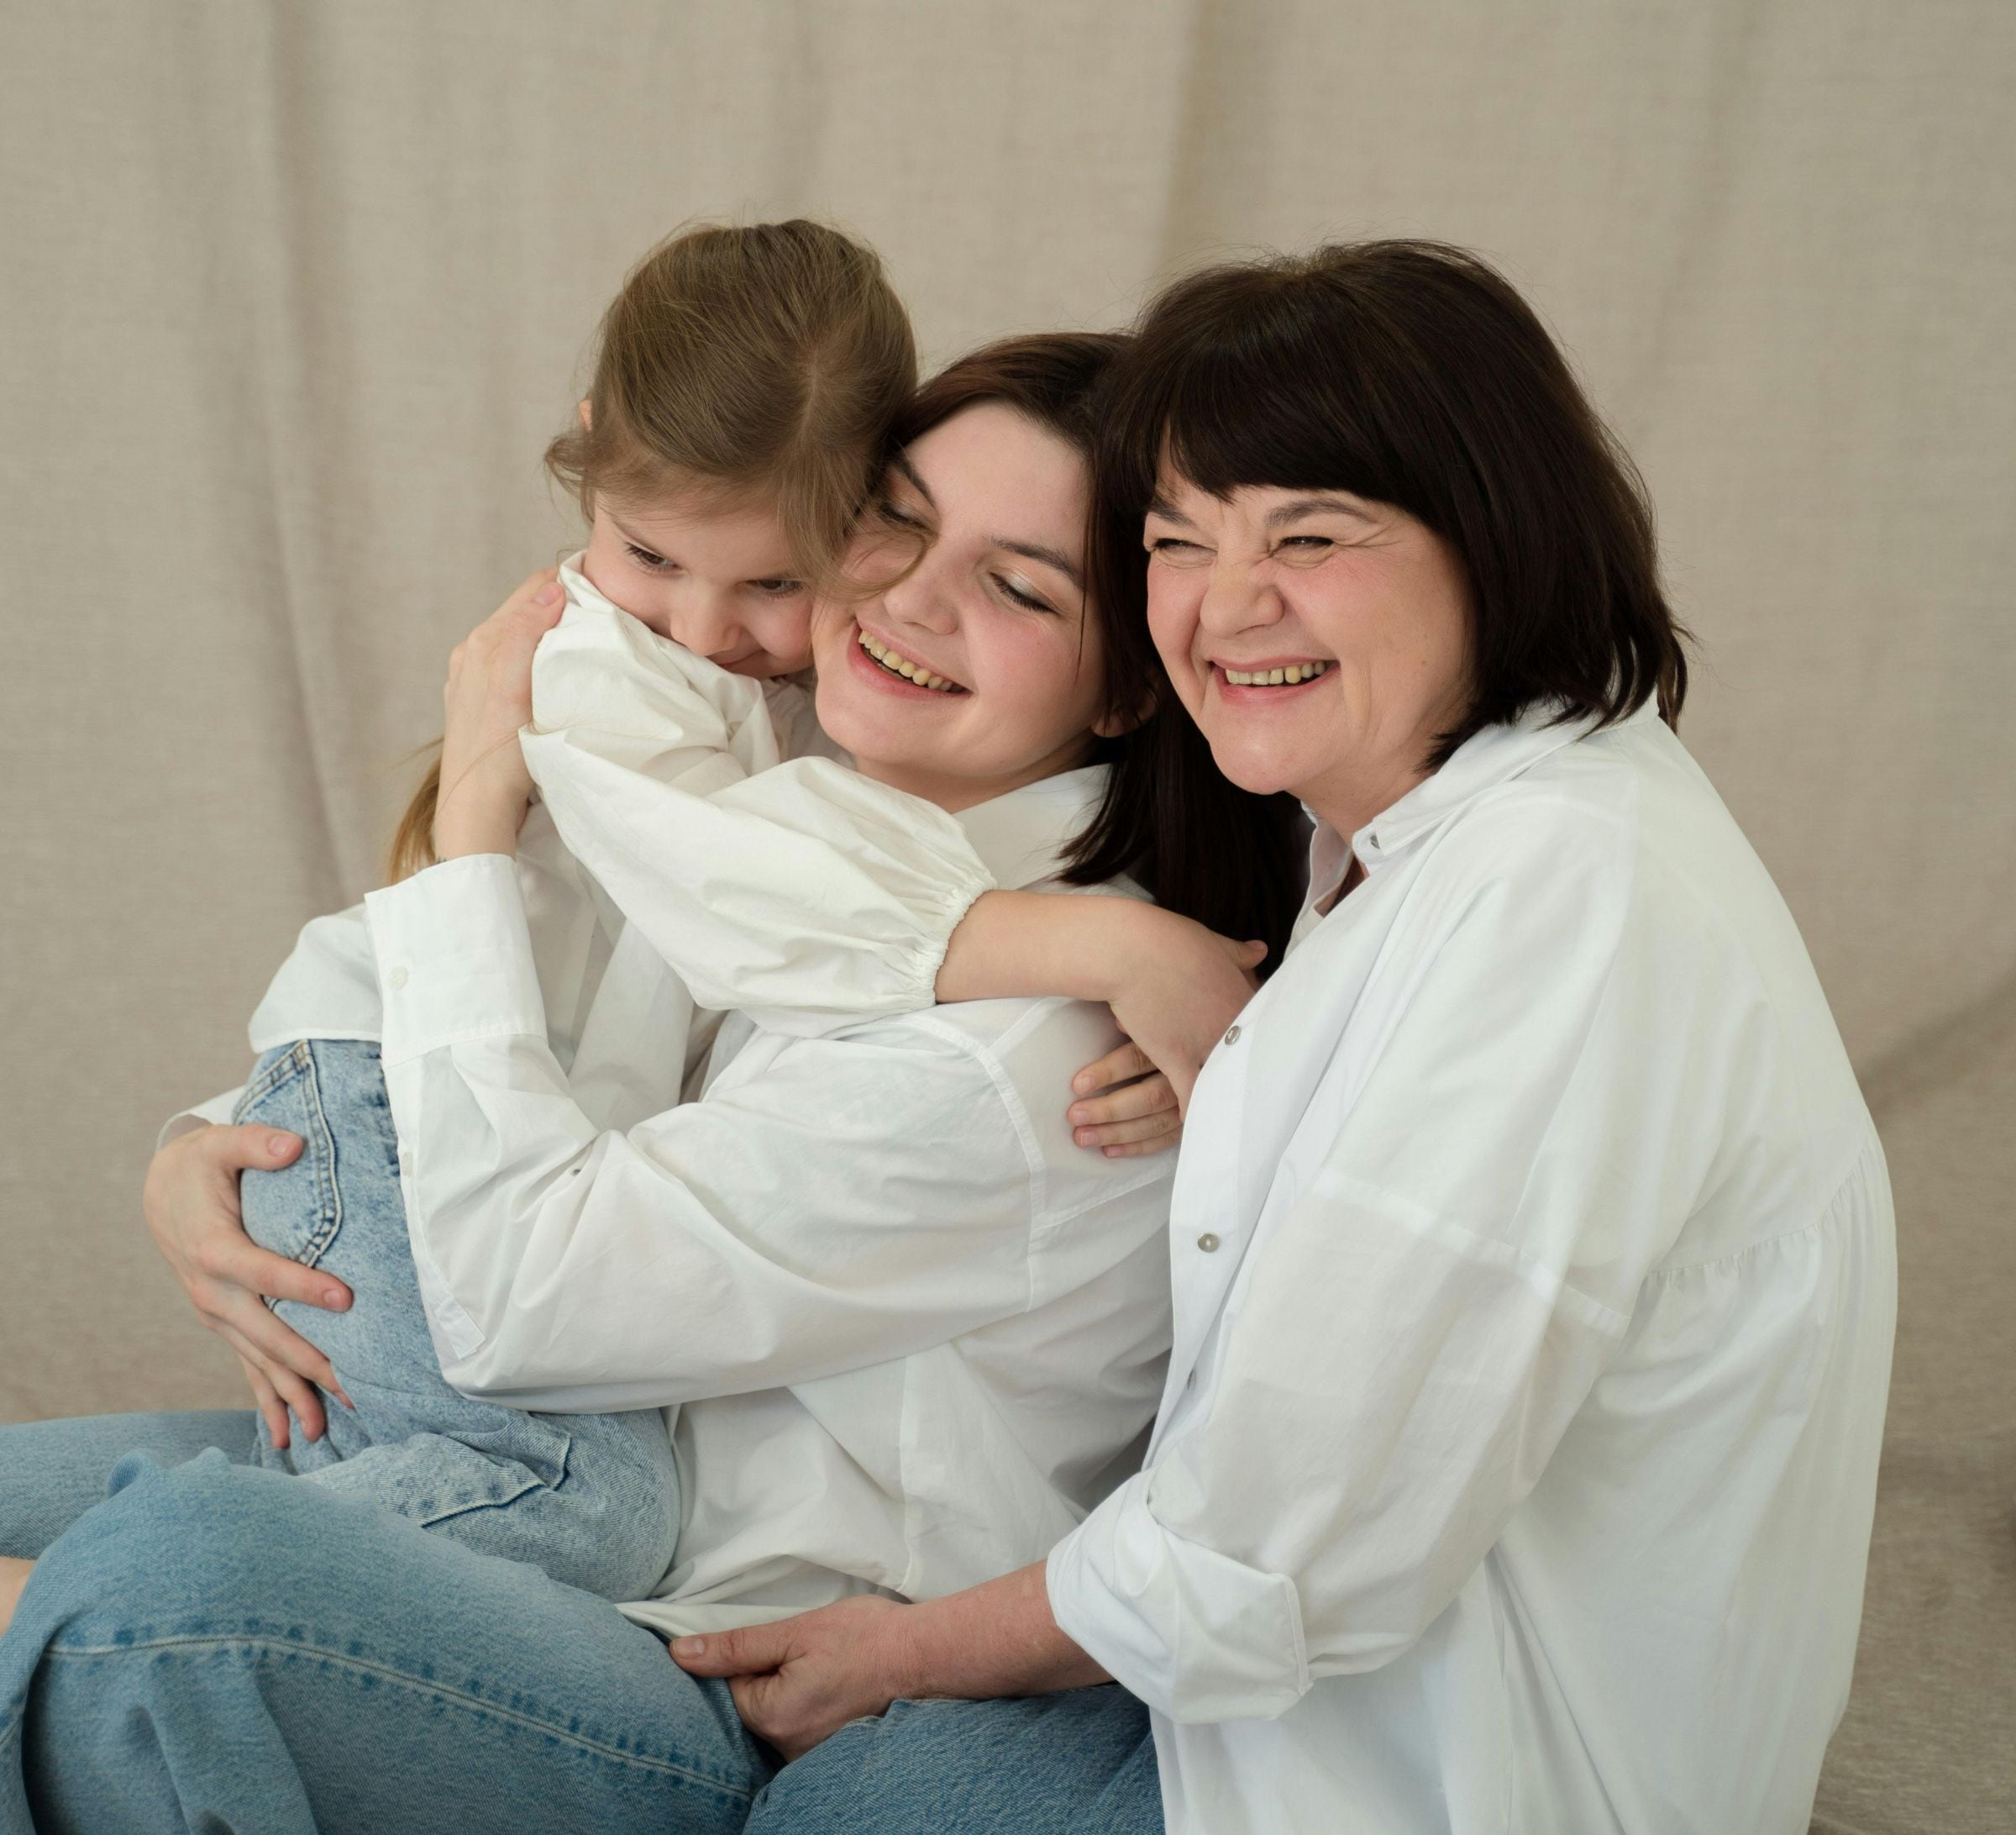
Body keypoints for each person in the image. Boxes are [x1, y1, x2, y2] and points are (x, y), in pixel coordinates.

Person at [668, 242, 1899, 1835]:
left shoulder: (1566, 889)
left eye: (1309, 538)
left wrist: (906, 1653)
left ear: (1495, 534)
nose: (1225, 607)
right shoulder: (1406, 848)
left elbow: (1280, 1543)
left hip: (1447, 1774)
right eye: (1180, 543)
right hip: (1277, 1701)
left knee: (855, 1801)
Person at [0, 329, 1299, 1832]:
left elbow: (520, 1304)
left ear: (1129, 689)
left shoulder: (1037, 1049)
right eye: (892, 520)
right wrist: (209, 1151)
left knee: (169, 1594)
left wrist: (477, 822)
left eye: (1018, 587)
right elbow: (496, 1035)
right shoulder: (774, 804)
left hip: (702, 1656)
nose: (911, 598)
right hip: (546, 1490)